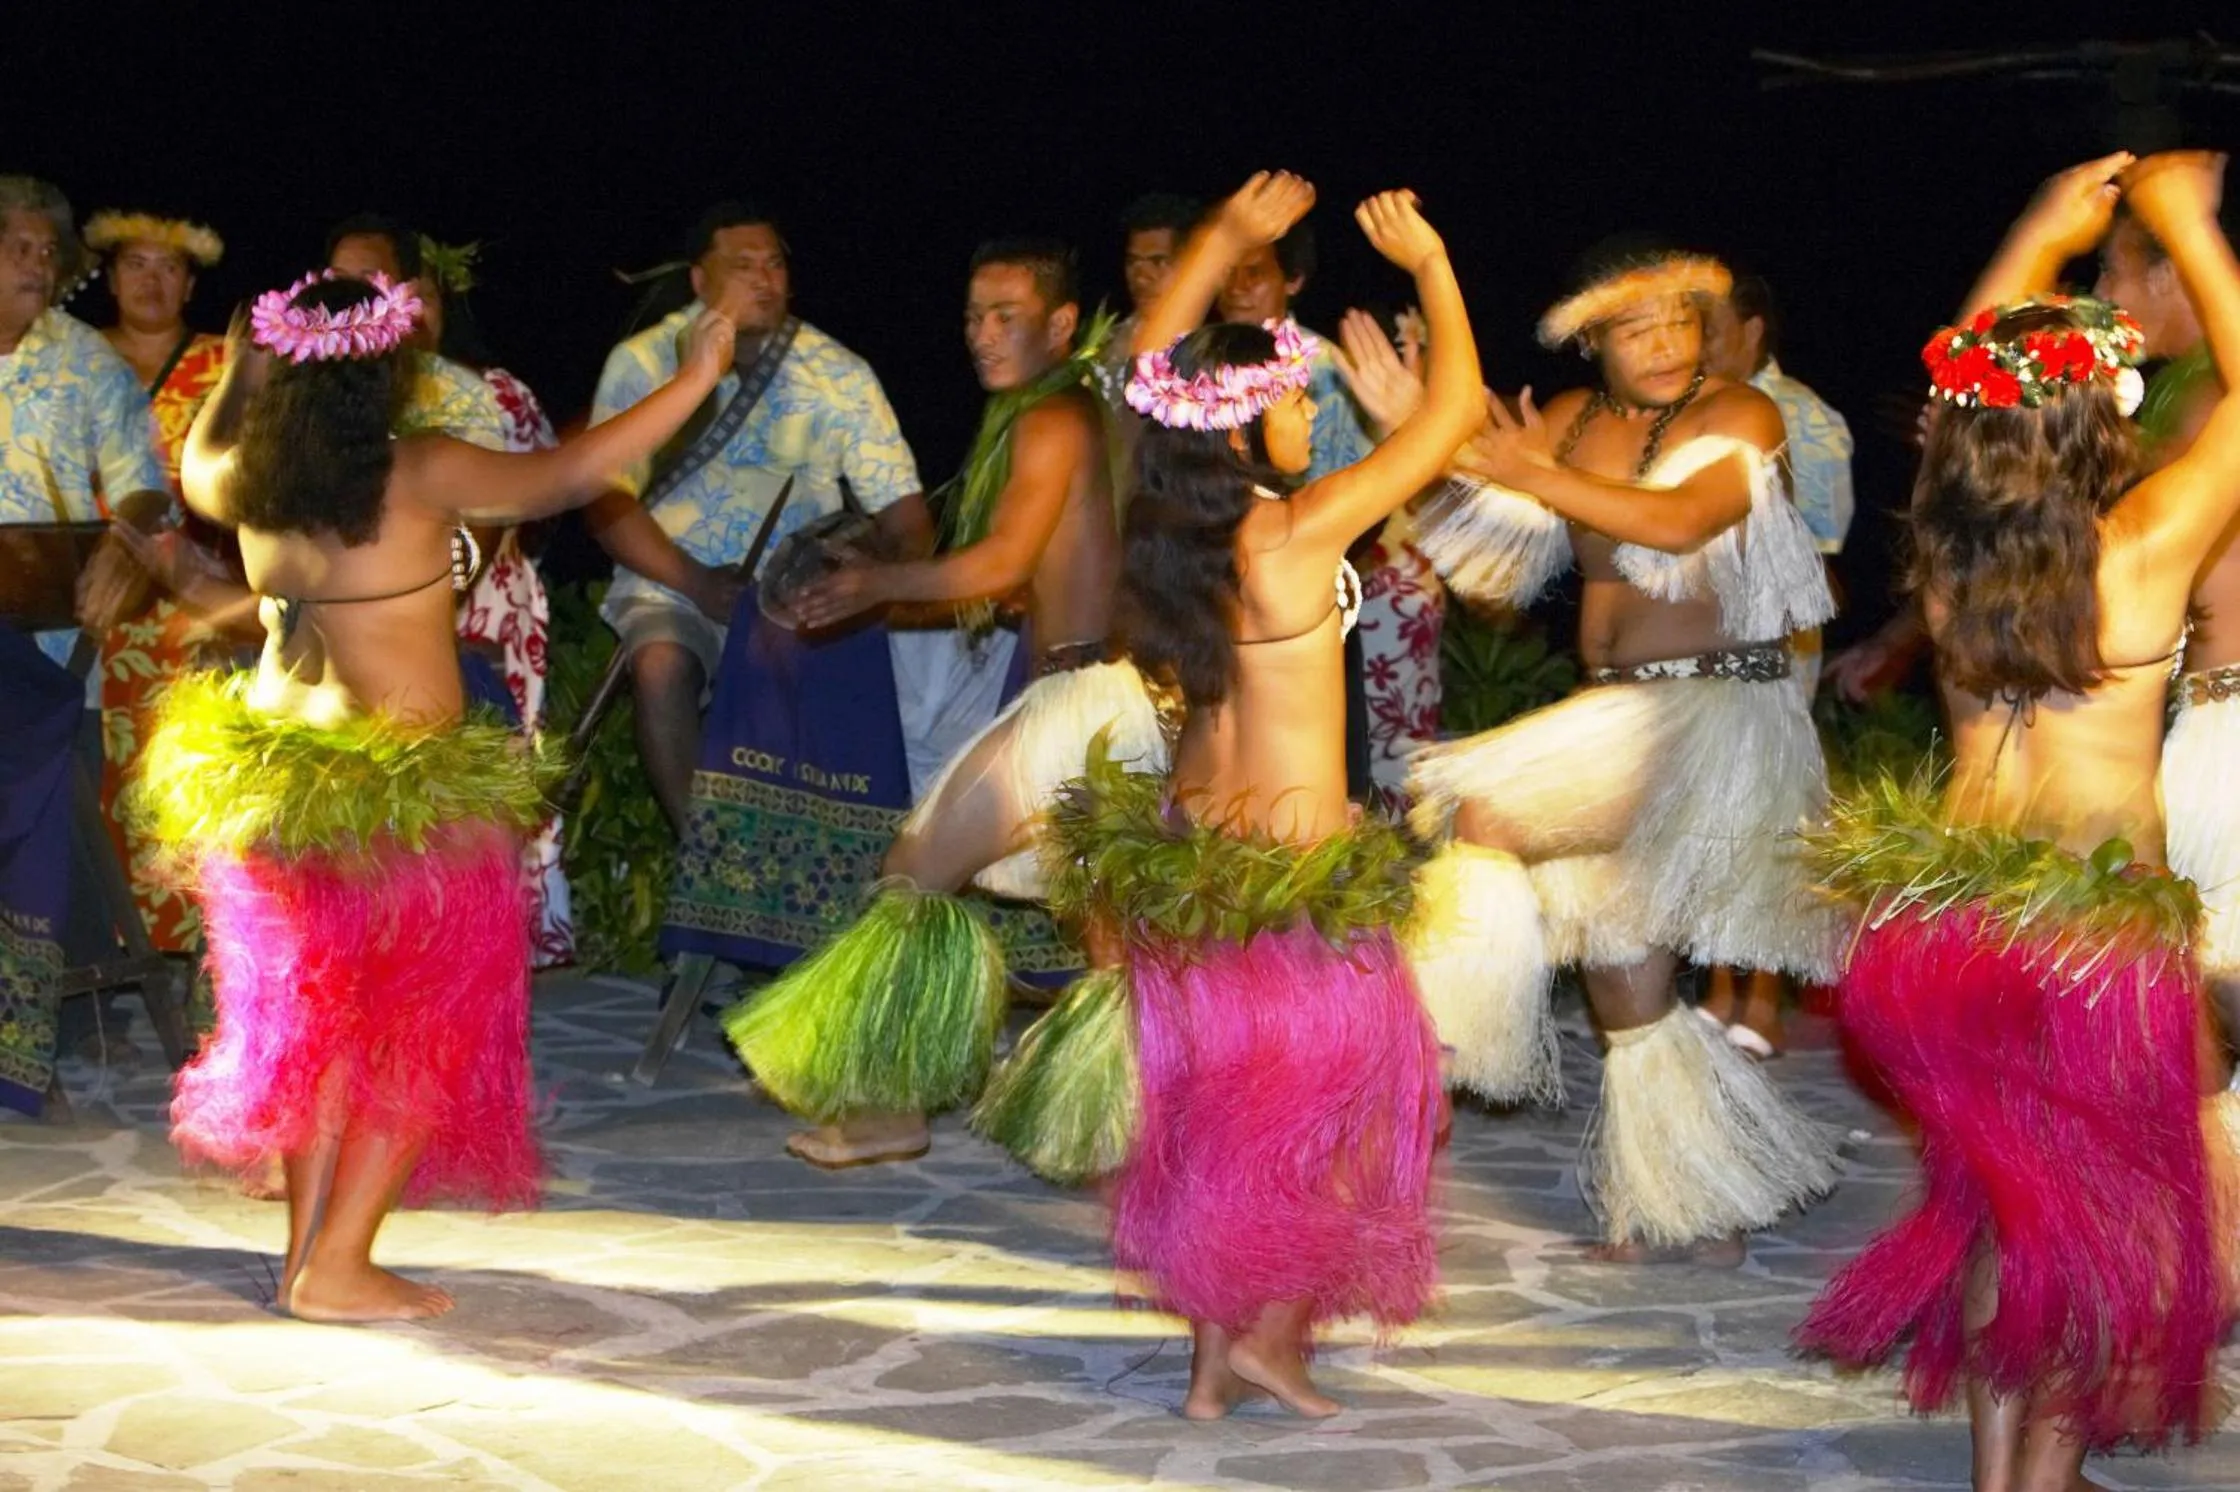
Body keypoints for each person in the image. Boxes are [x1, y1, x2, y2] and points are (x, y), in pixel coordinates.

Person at [131, 269, 732, 1322]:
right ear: (387, 371)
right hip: (409, 799)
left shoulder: (244, 475)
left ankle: (308, 1258)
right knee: (419, 1030)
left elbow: (188, 459)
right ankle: (341, 1264)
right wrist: (697, 374)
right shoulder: (420, 469)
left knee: (321, 1032)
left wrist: (237, 372)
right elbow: (573, 471)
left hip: (280, 785)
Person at [983, 173, 1481, 1418]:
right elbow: (1452, 417)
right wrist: (1430, 268)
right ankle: (1273, 1342)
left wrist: (1219, 245)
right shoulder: (1294, 536)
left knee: (1216, 1130)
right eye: (1298, 398)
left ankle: (1217, 1366)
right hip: (1296, 892)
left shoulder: (1172, 541)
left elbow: (1142, 371)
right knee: (1326, 1131)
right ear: (1253, 423)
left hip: (1190, 882)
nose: (1312, 417)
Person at [1796, 149, 2240, 1491]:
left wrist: (2039, 232)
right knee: (2084, 1231)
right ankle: (2033, 1488)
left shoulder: (1950, 551)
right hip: (2085, 948)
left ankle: (2005, 1475)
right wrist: (2179, 224)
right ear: (2101, 424)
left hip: (1939, 937)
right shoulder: (2150, 546)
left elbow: (1960, 380)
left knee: (2004, 1211)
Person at [1402, 238, 1840, 1265]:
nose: (1662, 343)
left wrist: (1540, 478)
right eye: (1633, 325)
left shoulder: (1737, 415)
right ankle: (1693, 1204)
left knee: (1484, 815)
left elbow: (1683, 516)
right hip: (1612, 706)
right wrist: (1416, 438)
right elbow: (1489, 577)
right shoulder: (1569, 424)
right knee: (1623, 979)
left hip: (1710, 715)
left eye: (1679, 320)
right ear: (1588, 334)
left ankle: (1429, 1047)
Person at [728, 237, 1163, 1168]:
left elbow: (1002, 560)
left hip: (1079, 707)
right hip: (1099, 698)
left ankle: (892, 1109)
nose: (982, 334)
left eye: (1006, 316)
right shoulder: (1059, 416)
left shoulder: (1051, 422)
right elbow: (1028, 574)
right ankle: (1136, 1123)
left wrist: (881, 583)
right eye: (972, 315)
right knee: (1109, 937)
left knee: (916, 867)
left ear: (1060, 325)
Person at [583, 200, 932, 834]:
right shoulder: (643, 363)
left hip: (798, 598)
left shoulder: (840, 374)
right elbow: (606, 502)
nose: (764, 278)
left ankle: (811, 853)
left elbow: (906, 516)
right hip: (673, 585)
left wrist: (872, 581)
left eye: (773, 263)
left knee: (816, 680)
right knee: (662, 665)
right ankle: (703, 852)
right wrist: (697, 583)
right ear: (698, 280)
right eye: (742, 265)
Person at [0, 177, 170, 1096]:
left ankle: (47, 1019)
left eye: (47, 251)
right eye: (18, 245)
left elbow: (145, 485)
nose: (38, 262)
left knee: (57, 739)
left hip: (52, 636)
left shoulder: (88, 367)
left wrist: (128, 540)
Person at [1697, 272, 1858, 1058]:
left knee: (1769, 818)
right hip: (1701, 641)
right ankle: (1719, 987)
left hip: (1774, 645)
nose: (1692, 342)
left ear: (1753, 329)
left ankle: (1763, 995)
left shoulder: (1806, 419)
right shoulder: (1695, 407)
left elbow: (1821, 564)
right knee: (1716, 813)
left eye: (1710, 324)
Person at [2100, 192, 2240, 1057]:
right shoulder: (2182, 396)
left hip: (2227, 734)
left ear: (2168, 274)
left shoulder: (2207, 398)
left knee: (2204, 1000)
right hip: (2206, 716)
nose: (2106, 296)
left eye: (2111, 272)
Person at [81, 209, 241, 957]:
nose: (151, 280)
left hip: (196, 603)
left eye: (168, 267)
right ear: (109, 278)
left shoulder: (225, 364)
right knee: (95, 771)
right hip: (86, 602)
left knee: (192, 772)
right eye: (135, 265)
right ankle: (102, 941)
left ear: (190, 283)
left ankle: (197, 951)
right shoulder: (72, 361)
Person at [414, 236, 575, 967]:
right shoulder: (336, 407)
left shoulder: (496, 392)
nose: (406, 312)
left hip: (489, 597)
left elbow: (542, 495)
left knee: (493, 772)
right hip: (384, 603)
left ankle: (500, 930)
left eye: (423, 295)